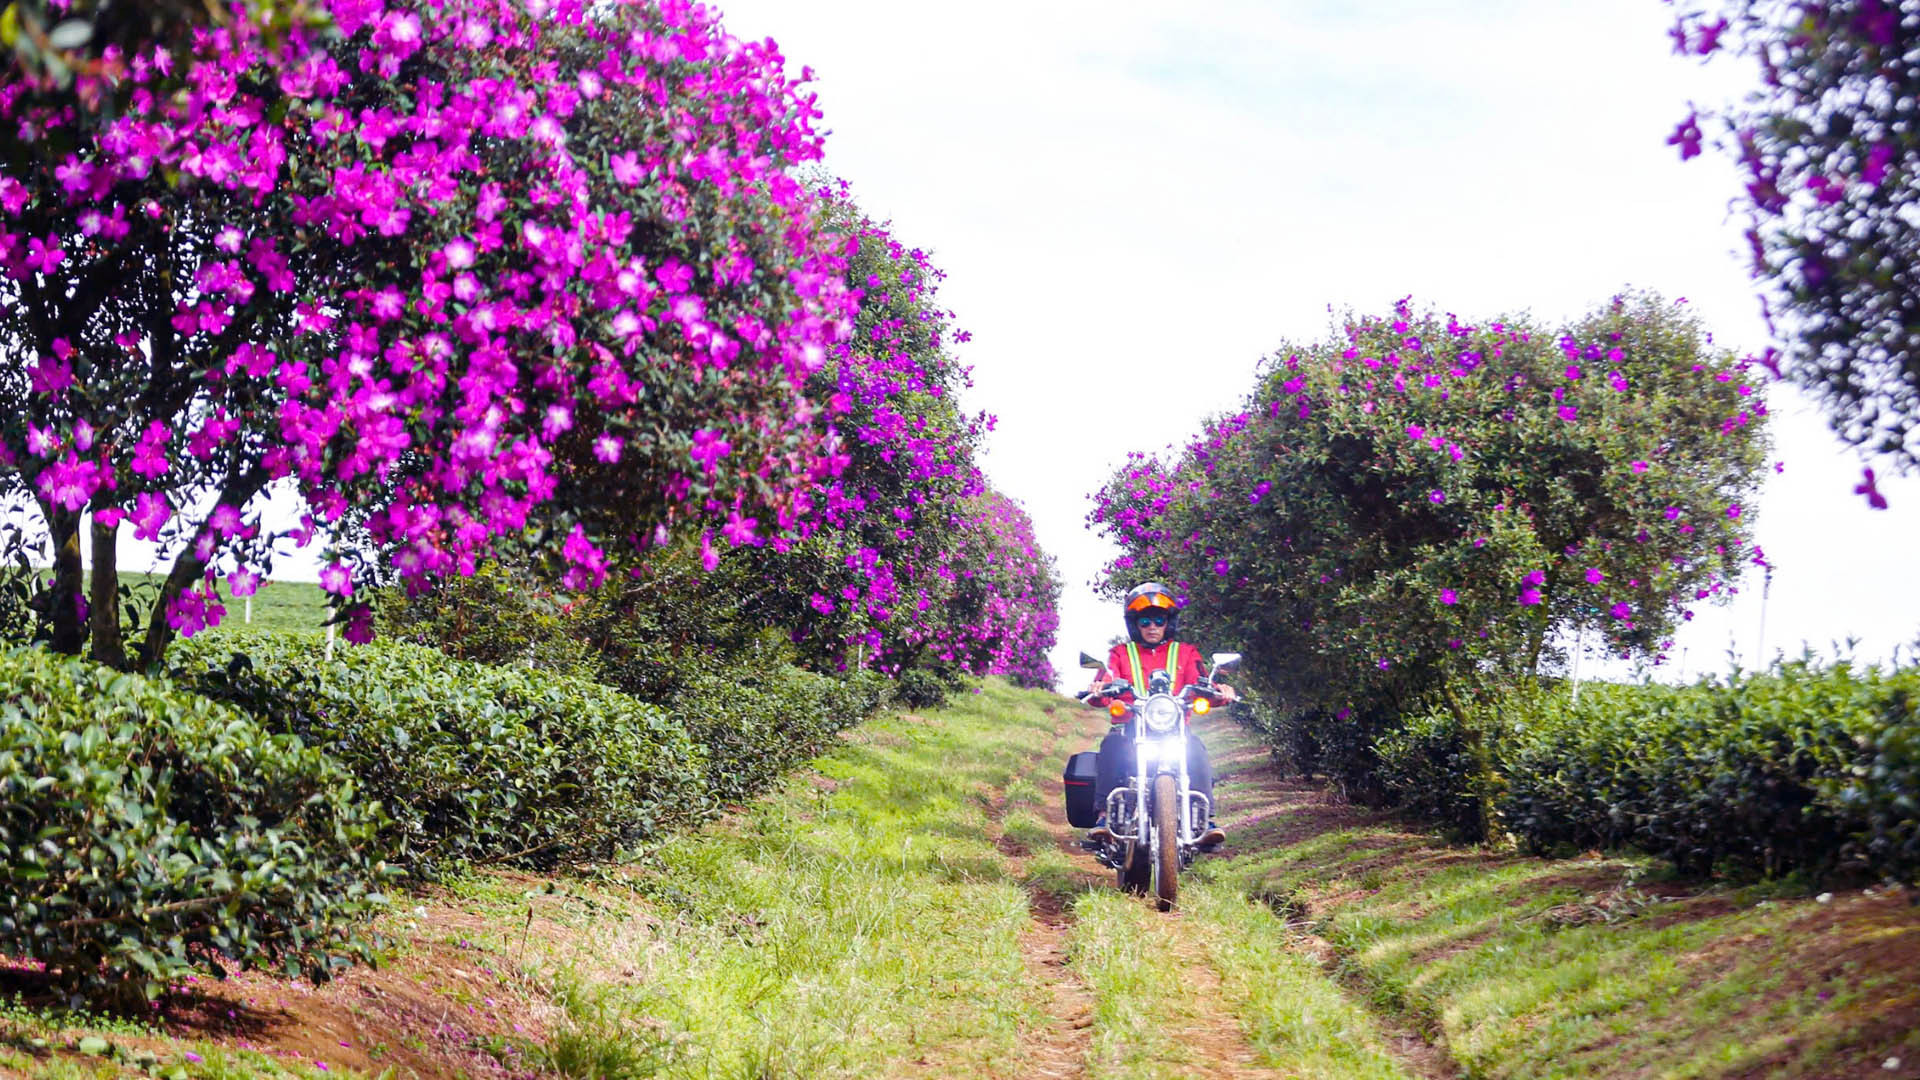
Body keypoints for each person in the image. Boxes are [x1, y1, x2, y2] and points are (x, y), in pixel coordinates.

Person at [1085, 581, 1233, 849]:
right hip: (1132, 725)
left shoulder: (1185, 652)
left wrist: (1220, 691)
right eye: (1145, 621)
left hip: (1173, 727)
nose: (1152, 626)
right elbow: (1106, 679)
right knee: (1112, 745)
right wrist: (1098, 689)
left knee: (1196, 747)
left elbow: (1202, 682)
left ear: (1168, 622)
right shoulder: (1120, 653)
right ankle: (1105, 817)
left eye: (1158, 619)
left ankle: (1205, 820)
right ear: (1135, 624)